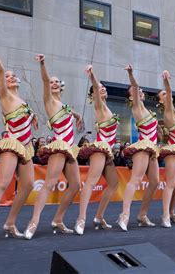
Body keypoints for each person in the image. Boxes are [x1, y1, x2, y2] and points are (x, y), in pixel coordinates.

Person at [0, 44, 38, 244]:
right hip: (12, 144)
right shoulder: (5, 95)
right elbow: (0, 71)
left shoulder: (22, 101)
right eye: (7, 77)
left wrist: (33, 116)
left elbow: (23, 114)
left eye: (12, 76)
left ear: (18, 81)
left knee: (28, 185)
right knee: (2, 184)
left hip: (26, 146)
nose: (9, 77)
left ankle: (10, 222)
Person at [24, 54, 84, 239]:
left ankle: (58, 219)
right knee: (49, 183)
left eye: (57, 82)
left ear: (62, 85)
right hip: (59, 147)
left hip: (70, 147)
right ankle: (33, 221)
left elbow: (68, 111)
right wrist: (43, 64)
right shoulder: (49, 100)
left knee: (75, 185)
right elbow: (44, 79)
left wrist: (77, 115)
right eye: (51, 82)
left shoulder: (64, 105)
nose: (54, 83)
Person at [74, 65, 119, 235]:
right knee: (91, 182)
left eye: (103, 88)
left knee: (114, 183)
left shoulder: (107, 108)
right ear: (94, 94)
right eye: (99, 89)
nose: (103, 89)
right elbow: (95, 87)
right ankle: (81, 218)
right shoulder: (99, 106)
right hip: (100, 149)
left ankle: (99, 217)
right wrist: (93, 76)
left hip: (107, 151)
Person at [117, 64, 159, 231]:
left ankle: (142, 214)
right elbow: (134, 87)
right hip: (142, 147)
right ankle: (124, 215)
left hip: (152, 148)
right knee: (135, 180)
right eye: (136, 91)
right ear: (131, 96)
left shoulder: (147, 110)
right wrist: (130, 73)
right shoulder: (136, 107)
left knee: (155, 181)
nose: (140, 91)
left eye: (141, 91)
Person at [156, 70, 175, 228]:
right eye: (163, 95)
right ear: (162, 101)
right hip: (171, 151)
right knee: (171, 183)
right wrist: (166, 81)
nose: (166, 96)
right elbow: (169, 90)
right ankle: (165, 215)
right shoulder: (168, 110)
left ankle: (172, 211)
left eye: (166, 94)